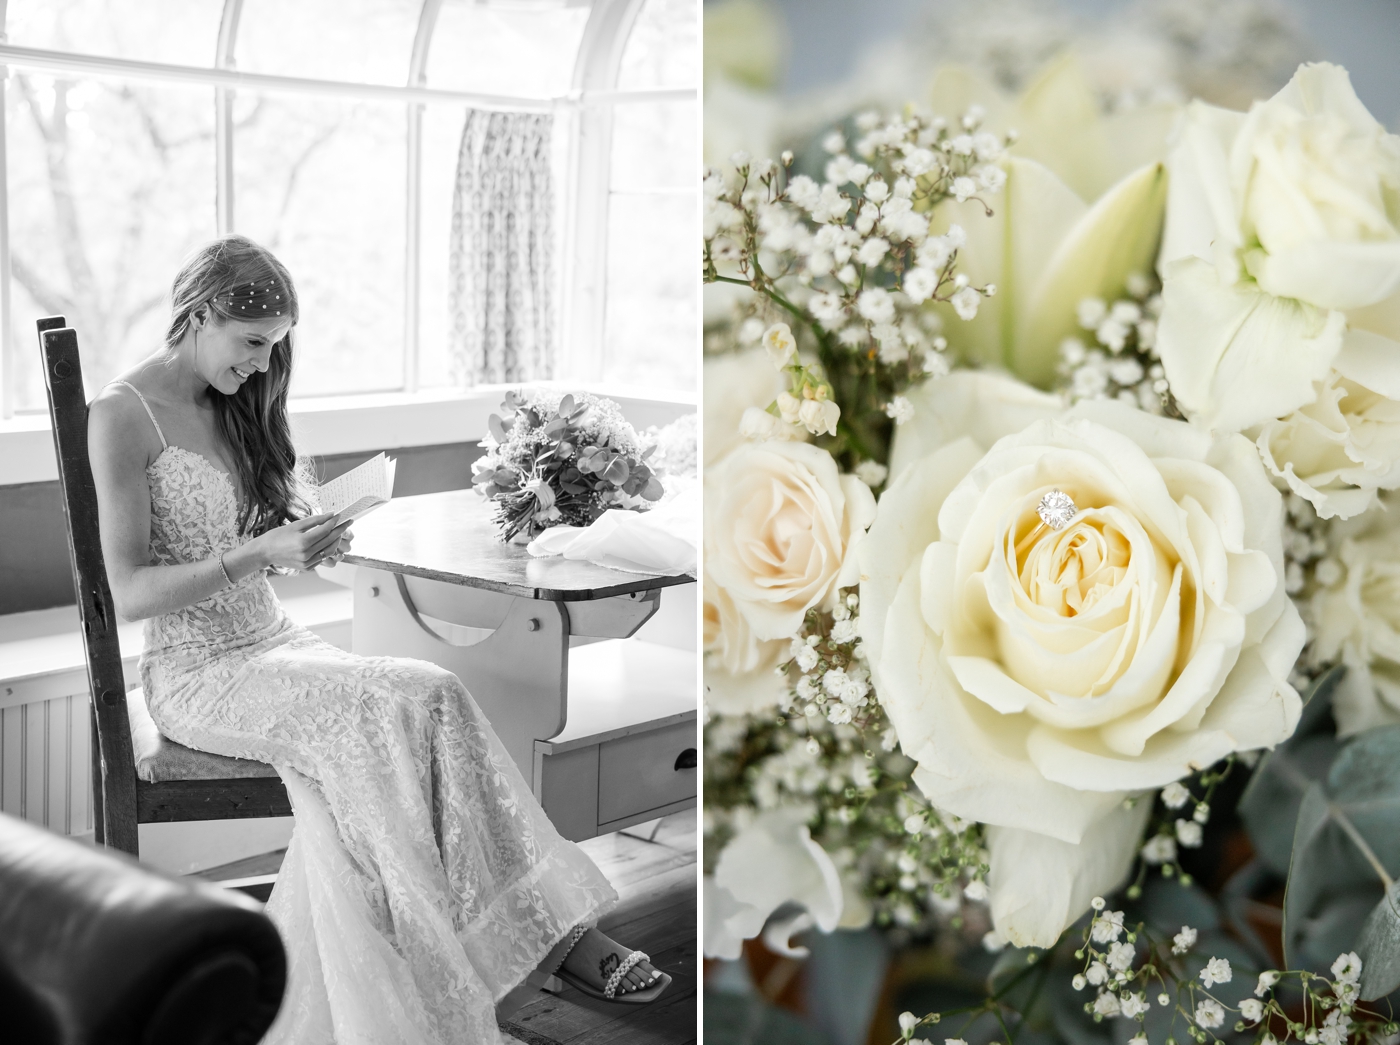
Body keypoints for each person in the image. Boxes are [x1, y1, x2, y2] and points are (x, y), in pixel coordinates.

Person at [86, 234, 670, 1045]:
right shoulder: (122, 414)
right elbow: (128, 591)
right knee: (383, 722)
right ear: (199, 313)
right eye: (252, 344)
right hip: (197, 673)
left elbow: (254, 537)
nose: (261, 366)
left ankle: (537, 939)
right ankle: (510, 957)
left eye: (274, 349)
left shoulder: (239, 400)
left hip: (276, 641)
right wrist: (258, 553)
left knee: (432, 694)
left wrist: (302, 533)